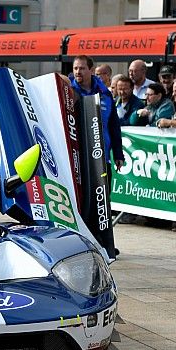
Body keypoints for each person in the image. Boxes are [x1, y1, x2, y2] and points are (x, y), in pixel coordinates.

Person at [69, 55, 123, 261]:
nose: (78, 72)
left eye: (82, 68)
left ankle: (104, 242)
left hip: (102, 158)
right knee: (82, 202)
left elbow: (113, 125)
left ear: (92, 70)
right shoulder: (69, 92)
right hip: (78, 158)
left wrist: (118, 153)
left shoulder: (105, 94)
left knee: (102, 201)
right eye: (75, 68)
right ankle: (82, 241)